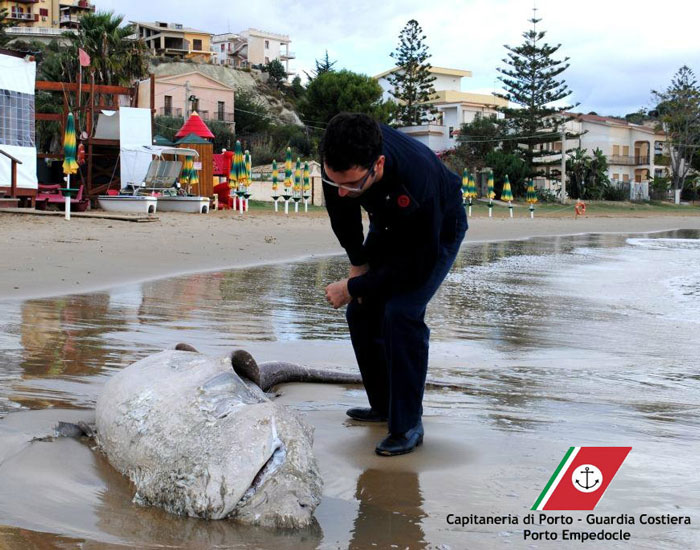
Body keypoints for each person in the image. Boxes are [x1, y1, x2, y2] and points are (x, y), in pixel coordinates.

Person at [321, 112, 468, 456]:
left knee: (402, 313)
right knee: (361, 314)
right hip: (385, 221)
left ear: (379, 164)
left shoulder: (419, 176)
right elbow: (340, 213)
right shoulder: (336, 152)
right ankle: (383, 407)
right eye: (334, 182)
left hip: (434, 228)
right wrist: (358, 263)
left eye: (353, 184)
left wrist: (351, 287)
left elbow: (413, 268)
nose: (343, 192)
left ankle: (407, 425)